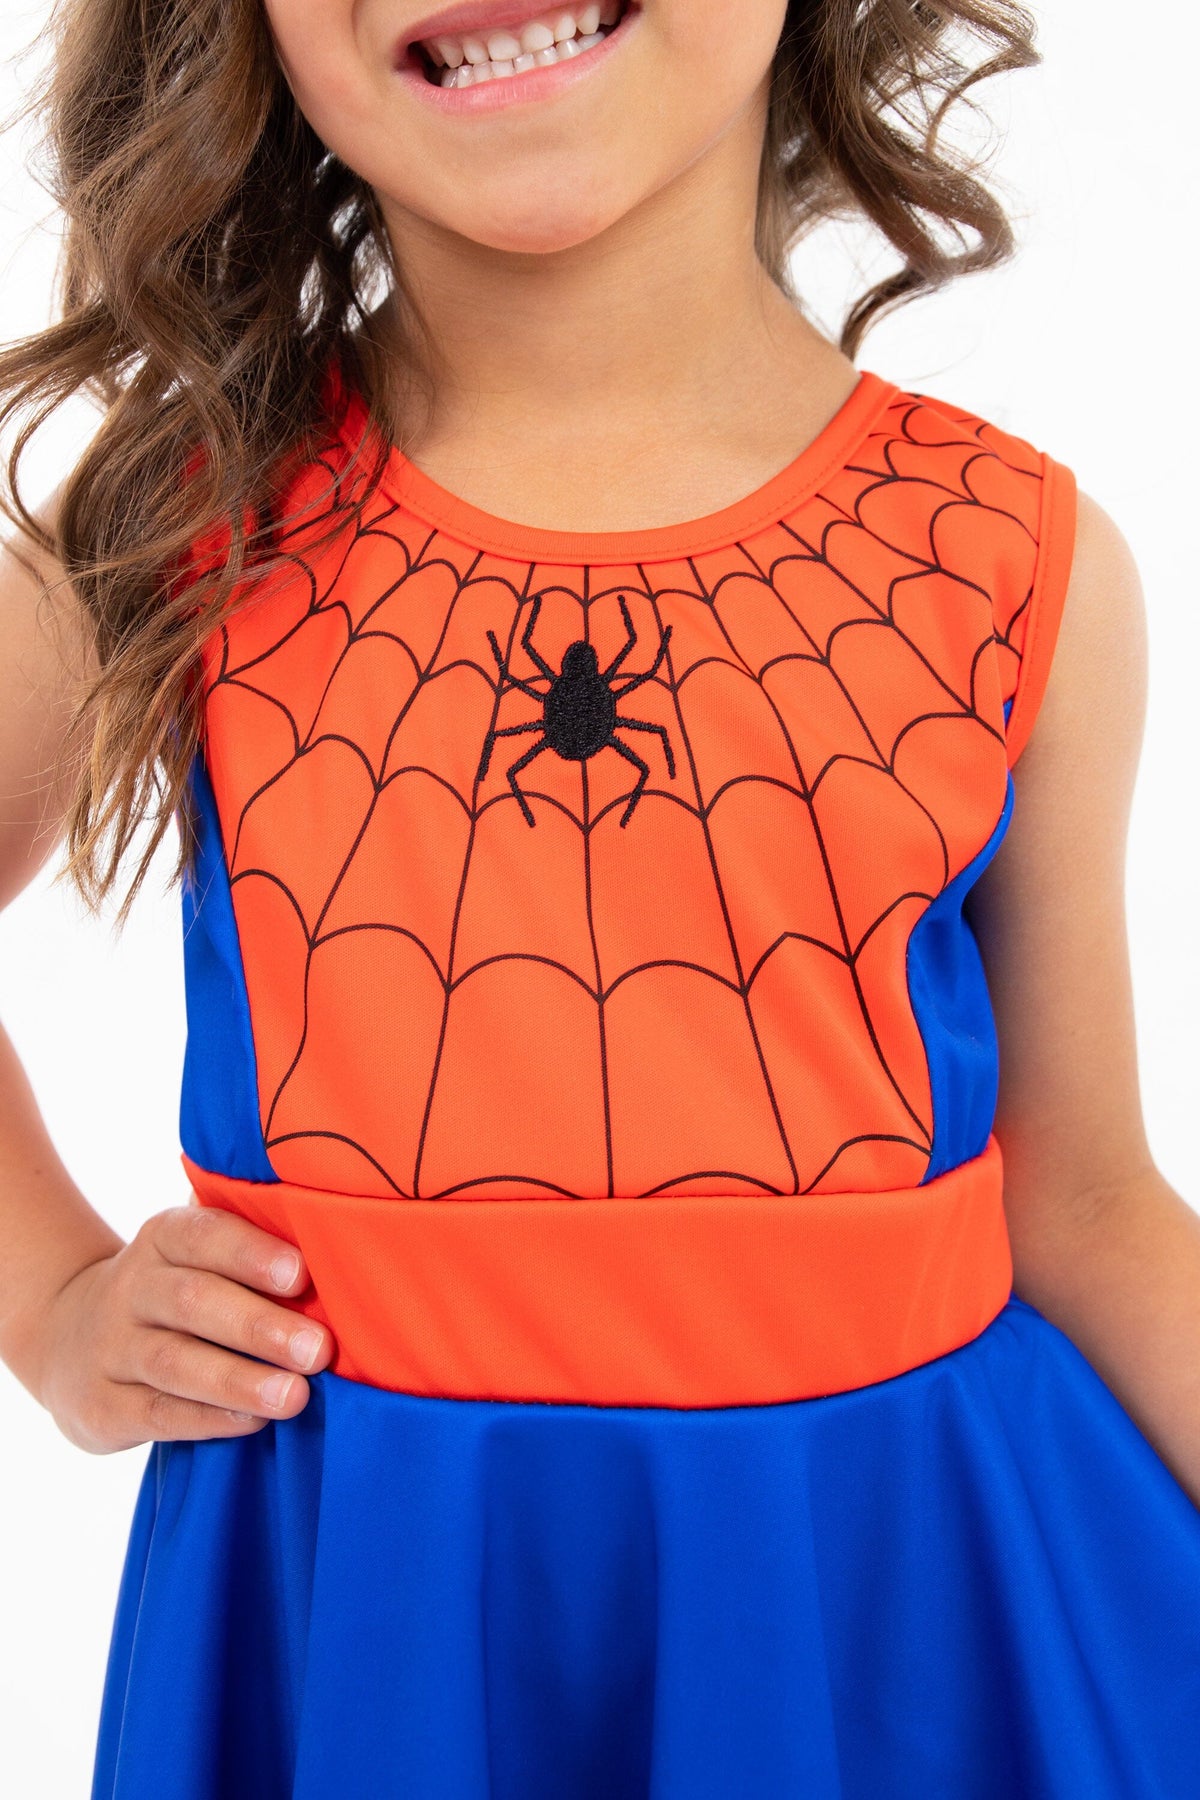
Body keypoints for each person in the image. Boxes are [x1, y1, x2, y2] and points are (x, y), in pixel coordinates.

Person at [1, 0, 1199, 1793]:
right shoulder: (178, 530)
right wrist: (51, 1303)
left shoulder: (1015, 567)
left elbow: (1088, 1198)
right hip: (370, 1622)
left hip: (895, 1618)